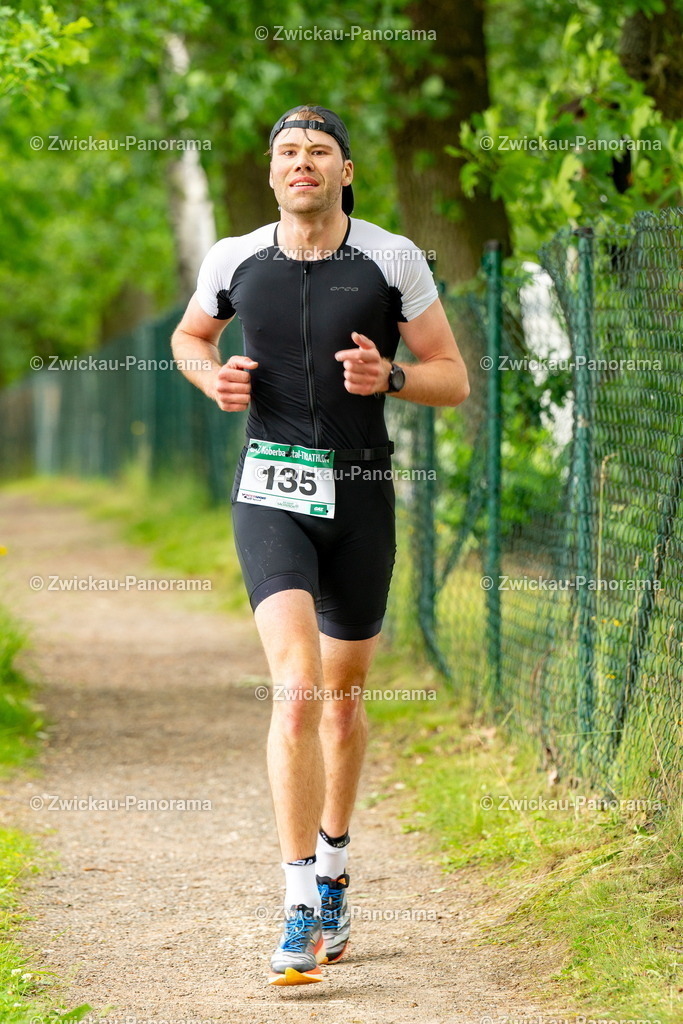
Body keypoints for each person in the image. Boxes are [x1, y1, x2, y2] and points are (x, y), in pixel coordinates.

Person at [171, 104, 469, 986]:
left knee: (341, 702)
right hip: (270, 492)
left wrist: (396, 377)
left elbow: (453, 376)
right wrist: (208, 376)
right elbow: (190, 336)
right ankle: (299, 902)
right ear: (271, 173)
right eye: (287, 152)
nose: (301, 163)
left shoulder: (390, 257)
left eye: (320, 152)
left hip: (363, 496)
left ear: (344, 171)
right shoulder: (232, 258)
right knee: (295, 688)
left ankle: (336, 870)